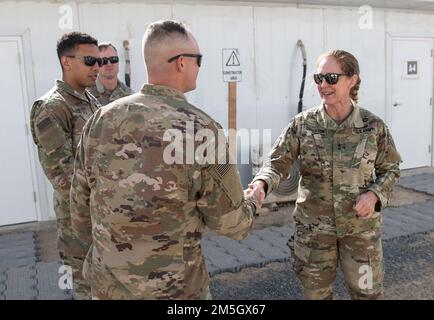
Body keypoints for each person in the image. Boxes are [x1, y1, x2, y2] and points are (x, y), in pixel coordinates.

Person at [70, 20, 258, 300]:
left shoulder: (101, 119)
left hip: (109, 287)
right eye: (199, 59)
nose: (199, 67)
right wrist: (255, 198)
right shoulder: (202, 129)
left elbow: (80, 207)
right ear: (182, 63)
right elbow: (231, 222)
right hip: (175, 291)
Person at [249, 50, 401, 300]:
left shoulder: (373, 127)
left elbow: (390, 169)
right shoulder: (303, 124)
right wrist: (261, 184)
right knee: (316, 296)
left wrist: (374, 195)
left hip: (360, 233)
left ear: (352, 80)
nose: (322, 85)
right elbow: (276, 163)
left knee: (368, 294)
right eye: (318, 78)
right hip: (315, 234)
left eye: (331, 78)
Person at [30, 32, 102, 299]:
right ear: (66, 61)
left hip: (101, 214)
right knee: (88, 285)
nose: (97, 67)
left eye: (99, 61)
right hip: (79, 220)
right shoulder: (52, 108)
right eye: (89, 60)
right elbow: (61, 175)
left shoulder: (89, 100)